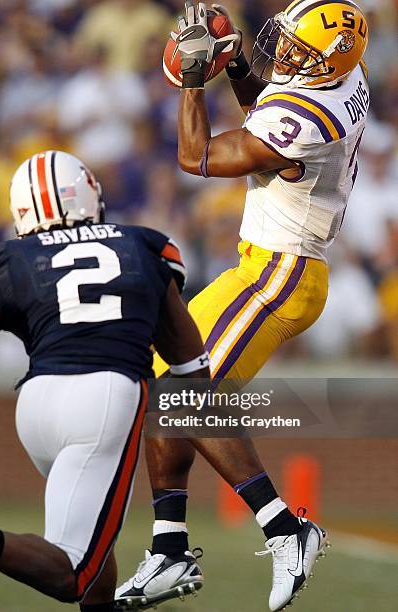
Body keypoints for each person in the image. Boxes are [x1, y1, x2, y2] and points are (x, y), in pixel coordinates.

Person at [0, 150, 210, 612]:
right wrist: (179, 519)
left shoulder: (7, 259)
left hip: (35, 407)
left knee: (93, 542)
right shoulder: (141, 245)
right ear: (89, 195)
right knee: (72, 570)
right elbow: (193, 373)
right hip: (105, 399)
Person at [116, 1, 368, 611]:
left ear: (326, 64)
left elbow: (196, 156)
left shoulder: (312, 118)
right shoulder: (339, 77)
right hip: (259, 266)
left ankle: (288, 531)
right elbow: (266, 103)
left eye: (298, 53)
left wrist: (193, 81)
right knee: (162, 386)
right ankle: (168, 550)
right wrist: (231, 63)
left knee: (187, 398)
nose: (282, 54)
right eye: (287, 40)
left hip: (282, 275)